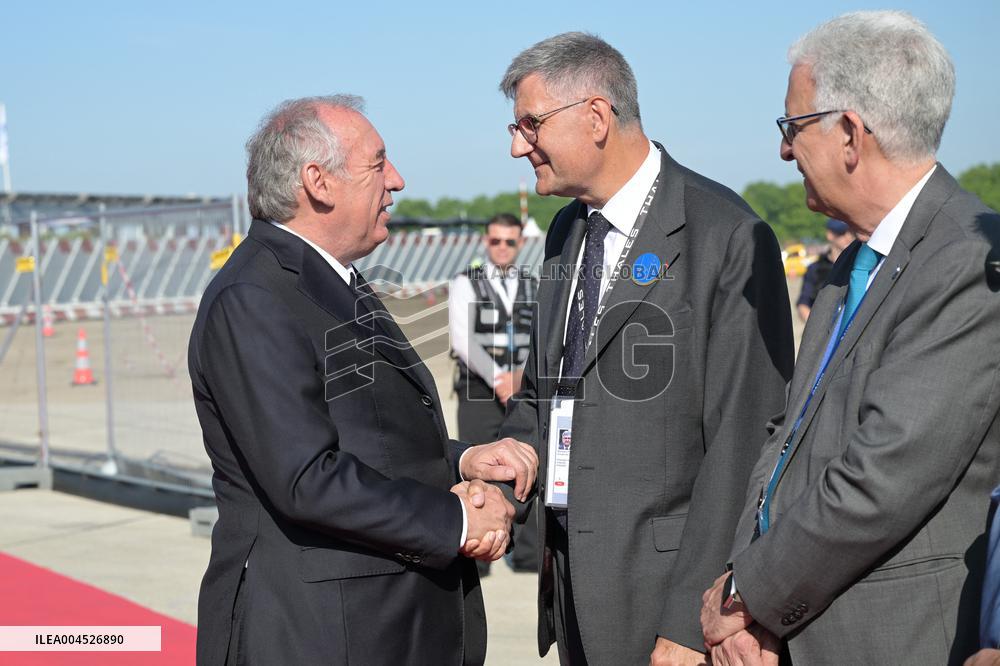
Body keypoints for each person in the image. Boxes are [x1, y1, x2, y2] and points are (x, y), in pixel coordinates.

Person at [189, 95, 538, 665]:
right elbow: (306, 476)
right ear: (318, 182)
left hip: (381, 625)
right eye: (378, 164)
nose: (397, 180)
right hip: (324, 635)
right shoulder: (254, 297)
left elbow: (366, 437)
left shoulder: (332, 281)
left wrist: (462, 460)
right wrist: (456, 518)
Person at [701, 11, 1000, 666]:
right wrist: (739, 578)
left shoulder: (968, 261)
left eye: (792, 128)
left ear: (849, 134)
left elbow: (886, 474)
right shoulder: (848, 267)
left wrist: (749, 596)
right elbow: (787, 440)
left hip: (891, 640)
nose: (784, 151)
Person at [496, 32, 794, 665]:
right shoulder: (565, 232)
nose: (517, 145)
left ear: (596, 116)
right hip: (575, 595)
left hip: (668, 606)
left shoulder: (728, 236)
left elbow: (745, 443)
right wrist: (502, 464)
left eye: (530, 124)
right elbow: (545, 391)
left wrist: (692, 620)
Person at [449, 212, 539, 575]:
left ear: (520, 243)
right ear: (486, 242)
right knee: (476, 469)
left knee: (528, 464)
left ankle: (530, 553)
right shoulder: (464, 282)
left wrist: (520, 378)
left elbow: (542, 339)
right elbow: (462, 339)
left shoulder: (534, 285)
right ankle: (477, 552)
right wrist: (500, 377)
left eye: (510, 241)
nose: (502, 247)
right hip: (478, 388)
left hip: (524, 387)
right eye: (495, 240)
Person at [795, 218, 854, 321]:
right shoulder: (815, 268)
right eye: (842, 233)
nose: (848, 237)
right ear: (830, 235)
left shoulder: (859, 266)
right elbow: (803, 303)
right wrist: (816, 326)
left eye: (851, 232)